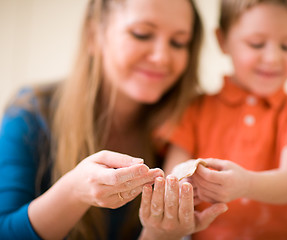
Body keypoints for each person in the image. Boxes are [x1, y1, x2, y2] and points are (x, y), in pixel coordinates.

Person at [0, 0, 224, 239]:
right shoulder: (31, 112)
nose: (162, 57)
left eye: (178, 42)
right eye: (142, 34)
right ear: (94, 35)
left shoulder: (188, 127)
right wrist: (74, 191)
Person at [164, 0, 287, 239]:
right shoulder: (194, 108)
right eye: (256, 44)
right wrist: (185, 185)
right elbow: (173, 173)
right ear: (223, 41)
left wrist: (245, 185)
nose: (273, 57)